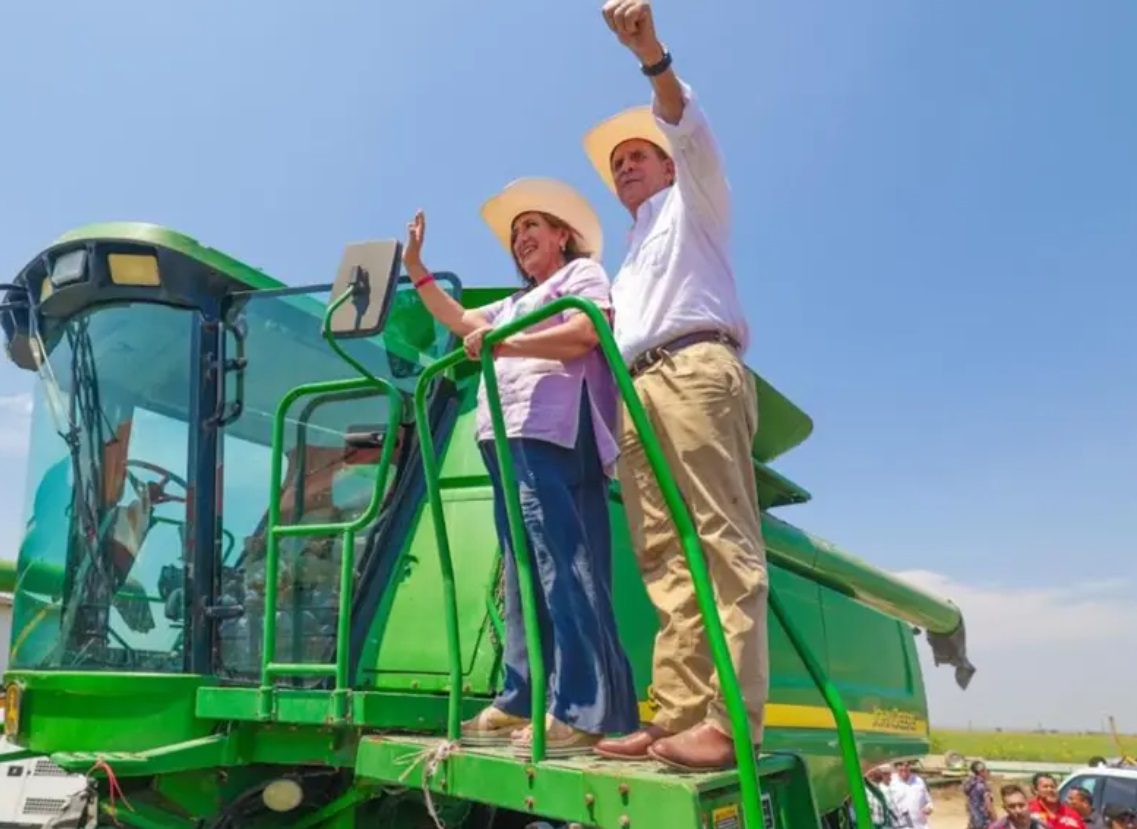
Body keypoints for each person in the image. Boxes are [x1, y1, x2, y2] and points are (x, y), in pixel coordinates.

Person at [584, 0, 768, 772]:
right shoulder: (628, 257)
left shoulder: (696, 203)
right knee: (662, 553)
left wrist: (650, 55)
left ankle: (732, 721)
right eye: (616, 163)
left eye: (638, 155)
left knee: (722, 541)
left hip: (693, 368)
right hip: (639, 391)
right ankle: (680, 714)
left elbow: (688, 129)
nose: (626, 166)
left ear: (666, 163)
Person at [401, 177, 639, 756]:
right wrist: (416, 268)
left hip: (555, 433)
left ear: (562, 236)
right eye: (515, 233)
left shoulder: (579, 278)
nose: (521, 237)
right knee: (522, 571)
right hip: (506, 439)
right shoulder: (511, 304)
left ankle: (585, 707)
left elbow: (585, 331)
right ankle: (523, 695)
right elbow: (459, 320)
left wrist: (503, 344)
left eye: (531, 225)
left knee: (565, 564)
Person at [888, 761, 934, 828]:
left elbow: (928, 801)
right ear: (896, 767)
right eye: (900, 765)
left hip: (920, 826)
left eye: (907, 765)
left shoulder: (919, 781)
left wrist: (929, 808)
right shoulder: (890, 782)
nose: (904, 768)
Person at [963, 760, 996, 829]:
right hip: (984, 822)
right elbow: (989, 807)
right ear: (981, 772)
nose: (988, 773)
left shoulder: (970, 785)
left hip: (973, 821)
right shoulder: (983, 787)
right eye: (986, 770)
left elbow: (967, 805)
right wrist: (995, 821)